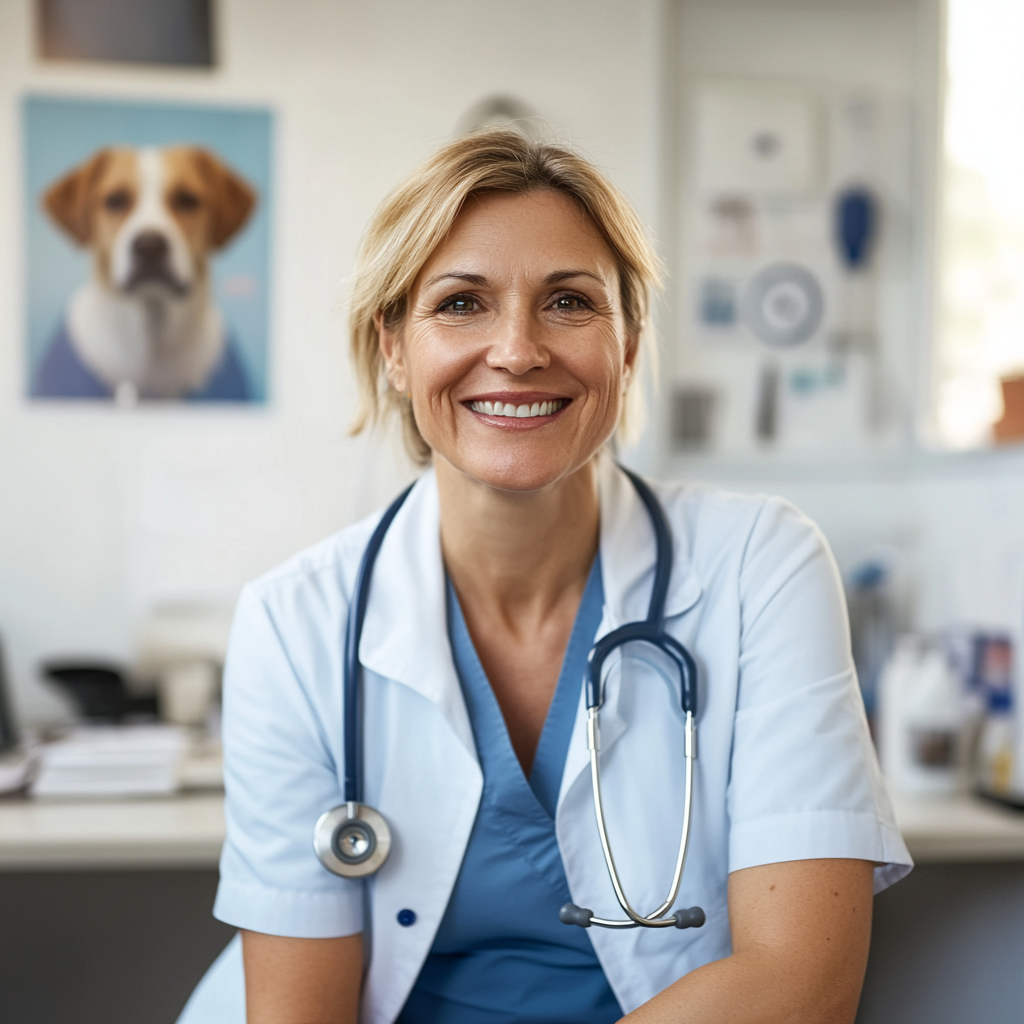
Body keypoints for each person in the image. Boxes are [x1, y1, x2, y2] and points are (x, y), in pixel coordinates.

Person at [179, 127, 911, 1024]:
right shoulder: (297, 625)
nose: (519, 350)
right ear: (395, 349)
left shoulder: (762, 566)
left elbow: (802, 988)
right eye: (460, 304)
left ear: (629, 345)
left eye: (569, 301)